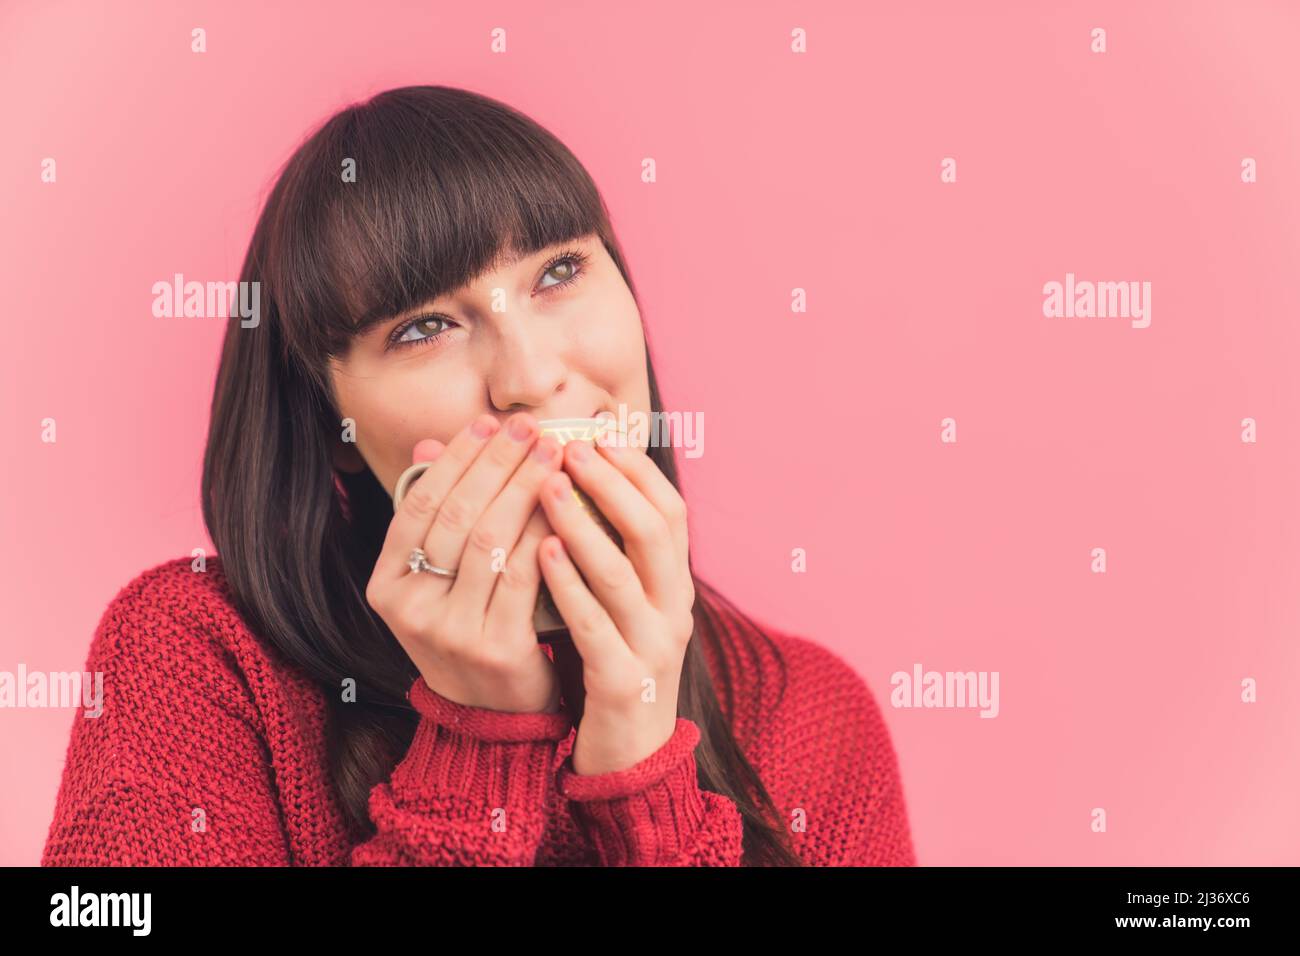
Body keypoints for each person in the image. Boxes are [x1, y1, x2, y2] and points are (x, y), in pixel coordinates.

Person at [41, 85, 916, 867]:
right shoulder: (194, 657)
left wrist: (643, 779)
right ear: (334, 424)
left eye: (560, 271)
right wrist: (475, 742)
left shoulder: (814, 715)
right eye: (423, 327)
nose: (530, 377)